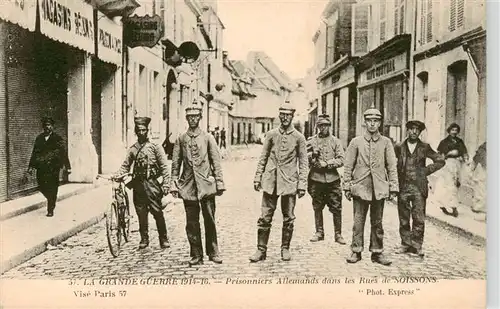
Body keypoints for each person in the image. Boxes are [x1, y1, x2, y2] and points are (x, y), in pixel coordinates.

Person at [249, 101, 308, 262]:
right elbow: (263, 157)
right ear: (279, 115)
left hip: (289, 182)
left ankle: (285, 248)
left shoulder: (299, 138)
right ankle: (261, 250)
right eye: (282, 114)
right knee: (265, 216)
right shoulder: (271, 135)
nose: (284, 118)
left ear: (292, 116)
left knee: (288, 217)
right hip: (270, 181)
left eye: (288, 115)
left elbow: (303, 163)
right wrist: (257, 177)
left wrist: (302, 184)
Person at [170, 101, 225, 266]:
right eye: (190, 117)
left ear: (200, 118)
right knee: (191, 222)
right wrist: (174, 184)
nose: (193, 119)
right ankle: (196, 254)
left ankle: (213, 252)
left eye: (195, 116)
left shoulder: (208, 138)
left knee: (210, 219)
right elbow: (175, 164)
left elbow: (216, 161)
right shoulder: (181, 139)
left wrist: (219, 183)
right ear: (187, 119)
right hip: (188, 186)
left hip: (206, 185)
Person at [343, 108, 398, 266]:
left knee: (377, 222)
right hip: (360, 187)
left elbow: (391, 166)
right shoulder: (356, 142)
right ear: (364, 122)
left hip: (379, 188)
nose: (372, 124)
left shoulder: (386, 142)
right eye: (369, 121)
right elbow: (348, 166)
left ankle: (377, 252)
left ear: (380, 123)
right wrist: (347, 186)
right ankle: (356, 250)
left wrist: (393, 187)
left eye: (376, 121)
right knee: (358, 221)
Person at [115, 117, 171, 250]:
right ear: (136, 132)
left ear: (147, 131)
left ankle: (163, 238)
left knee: (157, 212)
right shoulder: (133, 149)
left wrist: (166, 184)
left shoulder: (155, 147)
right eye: (139, 130)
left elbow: (164, 166)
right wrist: (117, 175)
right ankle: (144, 238)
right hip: (138, 185)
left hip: (152, 184)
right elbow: (125, 166)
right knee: (141, 213)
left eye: (144, 130)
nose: (141, 133)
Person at [394, 120, 444, 258]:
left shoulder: (425, 147)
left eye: (417, 130)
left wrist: (425, 171)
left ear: (420, 132)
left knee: (418, 217)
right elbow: (391, 163)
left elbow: (440, 160)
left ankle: (416, 245)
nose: (414, 132)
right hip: (403, 186)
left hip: (418, 187)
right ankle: (405, 244)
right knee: (403, 217)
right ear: (407, 130)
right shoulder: (399, 147)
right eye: (411, 129)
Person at [306, 114, 346, 245]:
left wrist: (328, 163)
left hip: (332, 179)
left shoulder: (336, 142)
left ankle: (338, 234)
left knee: (337, 206)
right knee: (317, 205)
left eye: (326, 125)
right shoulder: (311, 141)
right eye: (321, 125)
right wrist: (312, 155)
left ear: (330, 126)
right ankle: (319, 232)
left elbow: (341, 159)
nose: (324, 128)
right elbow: (303, 157)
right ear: (317, 126)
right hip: (316, 179)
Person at [28, 117, 71, 217]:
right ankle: (50, 199)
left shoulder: (57, 138)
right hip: (41, 167)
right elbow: (35, 153)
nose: (47, 127)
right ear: (43, 127)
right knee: (41, 186)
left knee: (52, 187)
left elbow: (63, 153)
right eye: (46, 125)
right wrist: (31, 167)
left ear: (52, 126)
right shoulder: (39, 138)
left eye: (49, 125)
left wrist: (68, 167)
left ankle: (50, 208)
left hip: (53, 167)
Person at [435, 123, 469, 217]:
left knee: (456, 184)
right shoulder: (444, 142)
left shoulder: (459, 141)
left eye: (456, 130)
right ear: (449, 131)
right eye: (452, 130)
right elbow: (440, 154)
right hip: (448, 164)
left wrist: (466, 160)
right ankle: (452, 207)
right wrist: (447, 155)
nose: (454, 132)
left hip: (458, 164)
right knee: (449, 185)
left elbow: (464, 152)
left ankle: (451, 205)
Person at [470, 141, 486, 216]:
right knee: (480, 189)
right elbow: (475, 160)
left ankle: (479, 206)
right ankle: (477, 207)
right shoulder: (482, 149)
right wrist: (471, 170)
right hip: (482, 171)